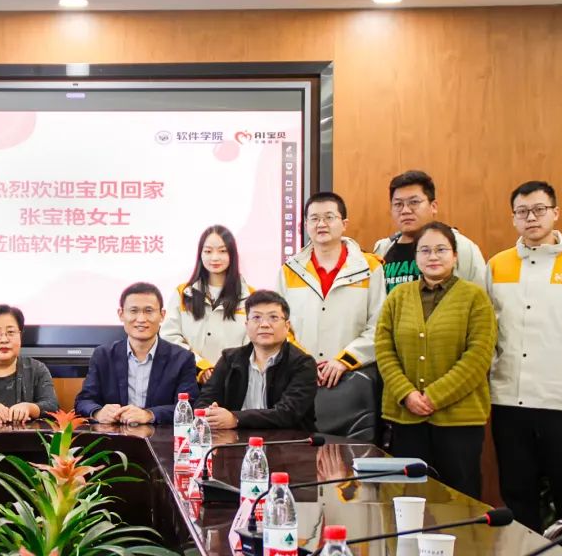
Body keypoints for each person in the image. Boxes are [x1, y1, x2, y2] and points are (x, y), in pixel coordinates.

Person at [488, 181, 562, 542]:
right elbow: (487, 333)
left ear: (555, 213)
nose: (531, 217)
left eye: (539, 209)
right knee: (517, 495)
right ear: (513, 218)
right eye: (522, 211)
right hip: (508, 400)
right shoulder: (498, 265)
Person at [375, 221, 496, 499]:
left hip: (459, 421)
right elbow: (384, 348)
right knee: (409, 497)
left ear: (455, 256)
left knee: (460, 498)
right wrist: (406, 394)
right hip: (406, 418)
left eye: (441, 250)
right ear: (416, 256)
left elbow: (478, 356)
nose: (433, 257)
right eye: (425, 250)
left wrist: (434, 397)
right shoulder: (398, 297)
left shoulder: (475, 298)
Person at [276, 192, 385, 388]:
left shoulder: (370, 268)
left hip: (354, 377)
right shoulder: (289, 270)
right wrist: (305, 362)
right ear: (305, 225)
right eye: (314, 218)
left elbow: (379, 326)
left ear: (344, 224)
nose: (321, 224)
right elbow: (280, 326)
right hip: (299, 377)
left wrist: (344, 361)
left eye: (329, 217)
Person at [75, 282, 198, 425]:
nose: (141, 319)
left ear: (162, 315)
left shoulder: (182, 359)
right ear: (121, 314)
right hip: (113, 435)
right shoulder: (103, 355)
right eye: (133, 311)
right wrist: (98, 412)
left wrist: (149, 415)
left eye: (149, 311)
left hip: (160, 437)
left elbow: (189, 407)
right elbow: (83, 401)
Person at [196, 290, 318, 430]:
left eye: (273, 317)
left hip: (288, 440)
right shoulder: (229, 359)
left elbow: (287, 413)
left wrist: (235, 419)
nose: (264, 324)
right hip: (233, 439)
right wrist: (211, 413)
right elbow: (204, 401)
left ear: (287, 326)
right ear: (247, 325)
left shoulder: (303, 364)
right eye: (256, 317)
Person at [162, 225, 254, 383]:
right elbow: (169, 337)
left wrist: (225, 371)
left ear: (232, 254)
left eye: (222, 251)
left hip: (234, 381)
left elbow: (253, 342)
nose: (215, 258)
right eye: (208, 251)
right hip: (189, 378)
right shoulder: (183, 293)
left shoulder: (250, 296)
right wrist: (201, 366)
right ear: (200, 254)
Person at [373, 170, 485, 292]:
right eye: (398, 204)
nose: (405, 210)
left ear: (433, 206)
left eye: (414, 202)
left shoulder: (461, 246)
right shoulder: (382, 250)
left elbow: (480, 296)